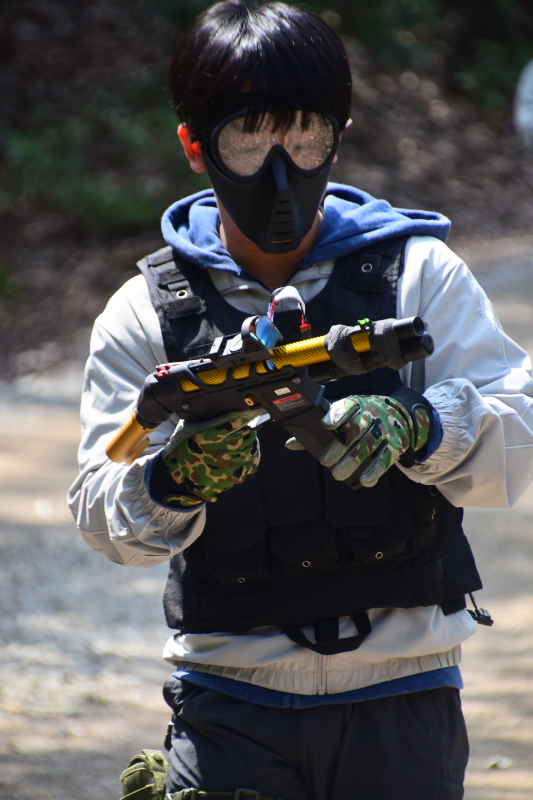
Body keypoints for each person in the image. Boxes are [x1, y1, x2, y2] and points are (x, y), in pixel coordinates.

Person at [68, 3, 533, 798]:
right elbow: (99, 507)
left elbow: (518, 440)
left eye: (304, 138)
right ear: (195, 146)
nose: (279, 173)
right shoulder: (146, 313)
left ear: (337, 138)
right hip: (229, 704)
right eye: (247, 141)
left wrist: (419, 425)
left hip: (404, 693)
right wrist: (172, 479)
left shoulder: (416, 275)